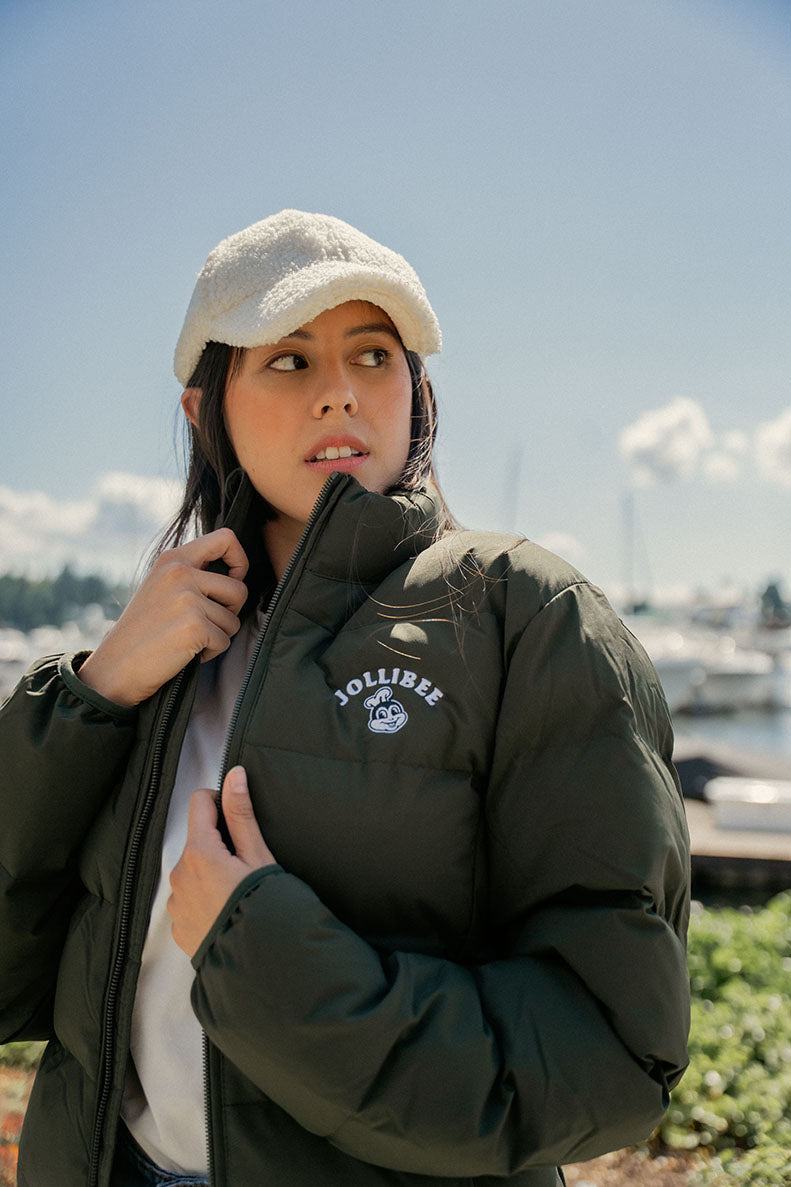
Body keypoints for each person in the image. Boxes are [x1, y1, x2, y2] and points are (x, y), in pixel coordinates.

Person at [0, 210, 691, 1187]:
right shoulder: (149, 659)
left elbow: (608, 1055)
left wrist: (269, 957)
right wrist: (93, 693)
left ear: (416, 389)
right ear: (207, 410)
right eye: (287, 360)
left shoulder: (524, 618)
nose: (338, 394)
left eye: (372, 354)